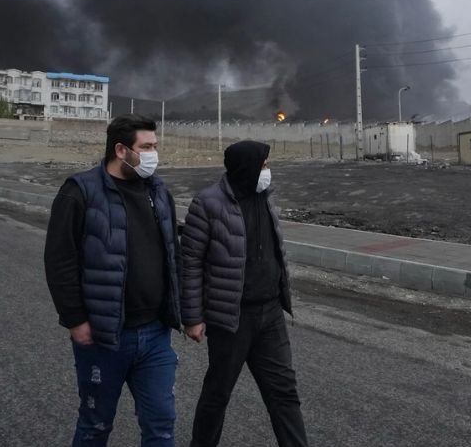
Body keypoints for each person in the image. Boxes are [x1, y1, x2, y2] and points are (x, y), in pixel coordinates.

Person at [44, 114, 181, 447]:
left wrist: (186, 312)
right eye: (146, 147)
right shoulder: (80, 191)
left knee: (162, 424)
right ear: (121, 150)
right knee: (95, 425)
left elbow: (172, 254)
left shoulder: (158, 192)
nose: (153, 154)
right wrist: (76, 320)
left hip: (155, 334)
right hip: (104, 336)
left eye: (155, 146)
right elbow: (60, 259)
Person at [182, 141, 308, 447]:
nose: (267, 170)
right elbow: (190, 263)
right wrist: (193, 317)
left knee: (284, 392)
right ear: (247, 167)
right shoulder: (207, 203)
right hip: (231, 318)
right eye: (263, 165)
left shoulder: (265, 197)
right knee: (218, 394)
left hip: (270, 314)